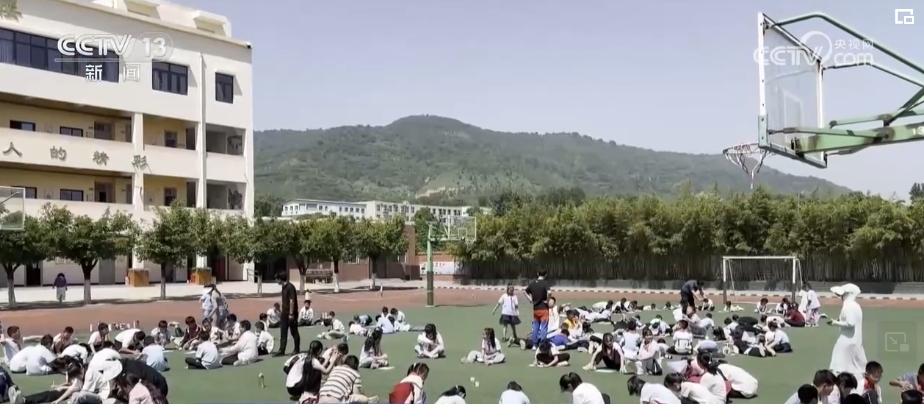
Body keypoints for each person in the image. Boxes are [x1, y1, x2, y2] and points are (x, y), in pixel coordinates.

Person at [829, 283, 868, 382]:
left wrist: (835, 323)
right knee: (856, 365)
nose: (841, 297)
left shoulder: (848, 306)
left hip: (846, 340)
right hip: (856, 340)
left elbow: (850, 323)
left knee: (839, 363)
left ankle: (839, 383)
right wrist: (839, 320)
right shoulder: (856, 306)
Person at [275, 272, 301, 356]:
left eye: (277, 279)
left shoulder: (290, 287)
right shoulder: (283, 287)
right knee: (283, 332)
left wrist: (291, 313)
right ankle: (281, 350)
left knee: (294, 331)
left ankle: (296, 349)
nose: (276, 281)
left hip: (291, 313)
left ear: (280, 279)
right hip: (284, 313)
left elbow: (292, 301)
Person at [524, 271, 551, 348]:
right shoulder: (545, 283)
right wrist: (547, 301)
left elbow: (525, 291)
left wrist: (530, 299)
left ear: (537, 274)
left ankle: (534, 345)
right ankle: (542, 344)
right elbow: (549, 292)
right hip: (544, 308)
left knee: (535, 327)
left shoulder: (532, 283)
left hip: (535, 309)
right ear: (546, 275)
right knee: (544, 327)